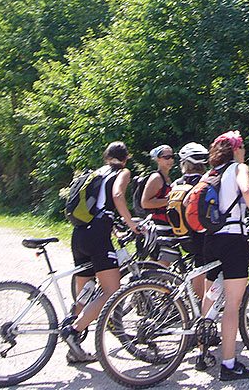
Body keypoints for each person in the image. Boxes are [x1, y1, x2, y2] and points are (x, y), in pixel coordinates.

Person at [60, 141, 139, 363]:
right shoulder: (122, 172)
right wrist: (131, 223)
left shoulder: (96, 173)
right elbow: (117, 196)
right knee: (112, 291)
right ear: (125, 158)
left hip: (79, 234)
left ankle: (73, 345)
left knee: (84, 293)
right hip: (96, 236)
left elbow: (97, 207)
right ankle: (74, 333)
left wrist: (114, 229)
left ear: (106, 156)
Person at [202, 130, 249, 381]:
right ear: (236, 149)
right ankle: (228, 365)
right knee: (232, 305)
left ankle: (203, 353)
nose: (244, 151)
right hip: (232, 240)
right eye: (242, 147)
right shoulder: (239, 168)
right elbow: (247, 191)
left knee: (210, 295)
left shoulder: (211, 173)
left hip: (211, 239)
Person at [172, 141, 210, 299]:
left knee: (198, 263)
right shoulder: (204, 182)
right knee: (203, 266)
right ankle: (199, 304)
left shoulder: (177, 183)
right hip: (201, 233)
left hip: (182, 234)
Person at [141, 144, 180, 265]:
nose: (171, 160)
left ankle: (149, 283)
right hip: (159, 226)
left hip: (167, 225)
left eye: (172, 156)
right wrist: (170, 200)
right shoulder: (156, 178)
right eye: (166, 157)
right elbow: (145, 203)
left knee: (158, 262)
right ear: (157, 159)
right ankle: (151, 283)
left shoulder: (167, 179)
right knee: (163, 262)